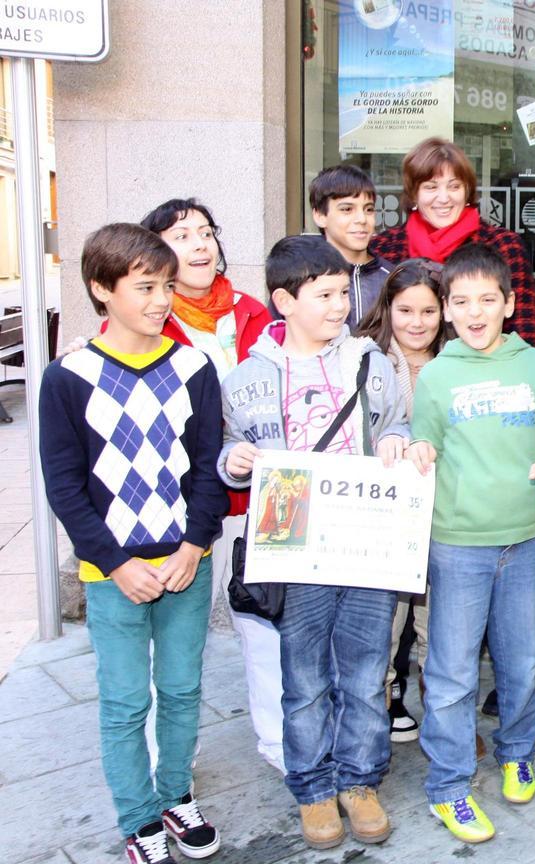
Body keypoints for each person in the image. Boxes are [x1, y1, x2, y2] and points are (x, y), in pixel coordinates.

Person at [40, 223, 228, 864]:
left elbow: (208, 466)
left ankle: (176, 795)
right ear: (101, 288)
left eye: (166, 286)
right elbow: (64, 486)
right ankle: (138, 816)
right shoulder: (68, 376)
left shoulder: (193, 367)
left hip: (183, 562)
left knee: (180, 689)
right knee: (124, 701)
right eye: (145, 287)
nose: (160, 300)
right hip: (112, 572)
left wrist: (194, 545)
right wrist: (115, 563)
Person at [218, 235, 409, 851]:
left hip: (364, 542)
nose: (339, 307)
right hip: (293, 545)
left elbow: (396, 425)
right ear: (283, 301)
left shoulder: (369, 364)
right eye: (323, 295)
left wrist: (394, 444)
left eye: (342, 294)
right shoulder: (247, 379)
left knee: (364, 670)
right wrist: (236, 460)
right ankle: (312, 787)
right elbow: (225, 452)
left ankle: (360, 779)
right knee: (302, 679)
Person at [406, 243, 535, 845]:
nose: (475, 312)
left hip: (525, 541)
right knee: (451, 674)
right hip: (455, 546)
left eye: (487, 299)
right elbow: (419, 440)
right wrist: (414, 449)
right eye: (461, 301)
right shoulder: (436, 375)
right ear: (446, 309)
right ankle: (450, 785)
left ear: (509, 303)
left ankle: (517, 751)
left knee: (522, 661)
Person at [137, 197, 280, 772]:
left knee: (263, 622)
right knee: (176, 639)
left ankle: (278, 743)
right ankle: (171, 758)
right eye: (181, 236)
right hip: (180, 505)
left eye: (205, 233)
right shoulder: (145, 320)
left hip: (255, 498)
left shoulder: (254, 312)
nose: (199, 245)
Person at [355, 257, 446, 744]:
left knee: (439, 621)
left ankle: (441, 712)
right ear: (387, 307)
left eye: (428, 311)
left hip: (442, 515)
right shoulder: (361, 360)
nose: (417, 322)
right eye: (405, 310)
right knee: (383, 624)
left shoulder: (456, 362)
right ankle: (381, 707)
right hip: (382, 517)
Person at [369, 137, 535, 350]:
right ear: (414, 194)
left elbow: (527, 335)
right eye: (431, 187)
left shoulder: (502, 245)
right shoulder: (385, 248)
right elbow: (377, 327)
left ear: (467, 191)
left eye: (454, 186)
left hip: (486, 375)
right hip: (403, 373)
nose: (443, 198)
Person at [310, 163, 393, 327]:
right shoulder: (302, 277)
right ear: (320, 216)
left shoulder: (391, 278)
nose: (362, 219)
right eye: (347, 209)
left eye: (368, 209)